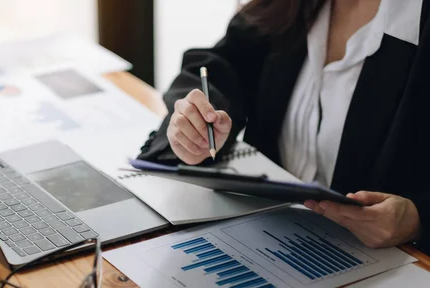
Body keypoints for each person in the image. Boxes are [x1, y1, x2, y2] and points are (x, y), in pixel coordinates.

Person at [138, 0, 430, 253]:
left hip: (385, 264)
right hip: (263, 239)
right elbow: (218, 66)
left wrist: (418, 221)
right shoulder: (291, 5)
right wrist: (195, 128)